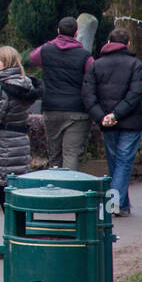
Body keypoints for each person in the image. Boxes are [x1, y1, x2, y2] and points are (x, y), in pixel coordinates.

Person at [0, 46, 38, 260]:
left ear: (6, 63)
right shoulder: (25, 84)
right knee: (12, 194)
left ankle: (13, 242)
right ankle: (17, 238)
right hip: (19, 142)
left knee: (4, 195)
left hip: (4, 146)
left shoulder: (3, 89)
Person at [83, 27, 142, 216]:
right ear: (128, 44)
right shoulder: (136, 65)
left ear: (109, 43)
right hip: (130, 121)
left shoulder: (96, 65)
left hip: (107, 121)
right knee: (124, 161)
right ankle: (115, 204)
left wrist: (102, 116)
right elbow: (135, 94)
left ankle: (122, 204)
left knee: (115, 161)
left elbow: (88, 94)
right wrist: (117, 114)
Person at [28, 16, 93, 171]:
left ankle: (56, 190)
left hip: (52, 108)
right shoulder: (84, 55)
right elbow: (93, 75)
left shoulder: (47, 50)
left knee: (54, 155)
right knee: (71, 154)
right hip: (77, 110)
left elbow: (33, 57)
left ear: (58, 31)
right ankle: (69, 191)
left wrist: (54, 42)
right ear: (76, 33)